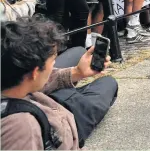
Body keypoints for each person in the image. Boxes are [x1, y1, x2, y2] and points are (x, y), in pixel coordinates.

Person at [1, 17, 118, 150]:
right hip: (62, 122)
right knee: (108, 83)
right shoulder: (22, 127)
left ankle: (70, 83)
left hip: (38, 98)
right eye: (53, 61)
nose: (55, 63)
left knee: (79, 51)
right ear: (35, 72)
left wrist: (77, 72)